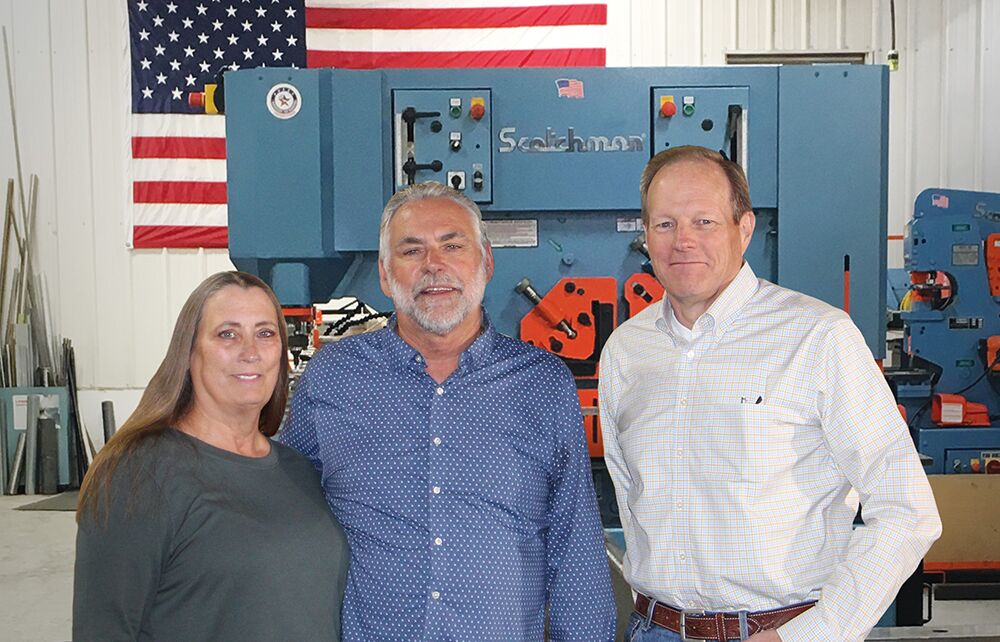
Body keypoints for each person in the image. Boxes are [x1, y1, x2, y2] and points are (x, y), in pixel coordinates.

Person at [599, 146, 941, 642]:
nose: (683, 241)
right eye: (665, 224)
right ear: (646, 236)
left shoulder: (817, 337)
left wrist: (815, 633)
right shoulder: (627, 351)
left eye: (704, 221)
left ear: (744, 229)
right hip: (655, 628)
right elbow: (630, 497)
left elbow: (907, 510)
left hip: (778, 631)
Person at [280, 182, 617, 641]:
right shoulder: (333, 379)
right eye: (411, 250)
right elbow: (282, 521)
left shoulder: (542, 384)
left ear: (487, 262)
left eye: (452, 246)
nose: (433, 266)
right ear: (383, 274)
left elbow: (575, 551)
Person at [74, 271, 349, 641]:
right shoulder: (138, 474)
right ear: (189, 353)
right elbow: (104, 630)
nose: (250, 352)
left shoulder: (299, 470)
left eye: (265, 333)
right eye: (227, 334)